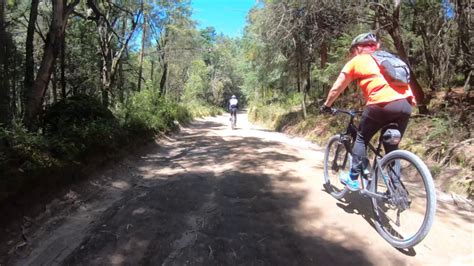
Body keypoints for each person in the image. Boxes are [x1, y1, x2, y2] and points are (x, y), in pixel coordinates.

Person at [320, 32, 416, 191]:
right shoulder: (387, 58)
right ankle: (395, 188)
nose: (352, 55)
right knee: (391, 146)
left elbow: (338, 87)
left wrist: (327, 105)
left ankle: (352, 179)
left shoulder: (358, 60)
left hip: (381, 102)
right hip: (406, 104)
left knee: (361, 138)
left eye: (352, 51)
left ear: (358, 48)